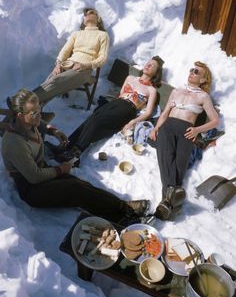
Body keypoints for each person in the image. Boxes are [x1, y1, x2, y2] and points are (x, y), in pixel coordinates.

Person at [1, 89, 152, 225]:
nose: (39, 115)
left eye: (39, 109)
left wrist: (53, 131)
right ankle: (123, 215)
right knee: (74, 189)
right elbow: (34, 177)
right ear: (20, 116)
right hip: (31, 188)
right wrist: (61, 169)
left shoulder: (28, 122)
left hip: (41, 170)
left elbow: (40, 124)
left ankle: (122, 207)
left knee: (80, 184)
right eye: (34, 113)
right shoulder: (14, 143)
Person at [46, 55, 164, 164]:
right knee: (91, 119)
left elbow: (148, 112)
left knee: (98, 121)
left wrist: (133, 121)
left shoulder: (152, 90)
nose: (148, 65)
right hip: (116, 103)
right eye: (148, 63)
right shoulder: (130, 78)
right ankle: (65, 146)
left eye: (152, 65)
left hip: (128, 108)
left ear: (156, 73)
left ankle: (75, 154)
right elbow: (121, 93)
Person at [149, 61, 219, 220]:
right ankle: (168, 203)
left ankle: (166, 204)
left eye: (196, 71)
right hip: (168, 127)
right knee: (166, 161)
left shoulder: (203, 96)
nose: (192, 72)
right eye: (191, 70)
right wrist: (155, 128)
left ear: (202, 80)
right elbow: (165, 112)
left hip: (188, 132)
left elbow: (215, 121)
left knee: (178, 167)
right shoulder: (176, 91)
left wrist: (197, 130)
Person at [32, 8, 110, 105]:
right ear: (84, 20)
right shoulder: (76, 34)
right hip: (67, 64)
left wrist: (86, 65)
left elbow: (102, 59)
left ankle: (26, 101)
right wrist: (58, 64)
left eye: (92, 13)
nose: (89, 14)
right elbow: (64, 51)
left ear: (98, 19)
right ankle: (33, 108)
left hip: (83, 69)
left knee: (56, 80)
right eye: (86, 14)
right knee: (52, 79)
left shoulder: (102, 35)